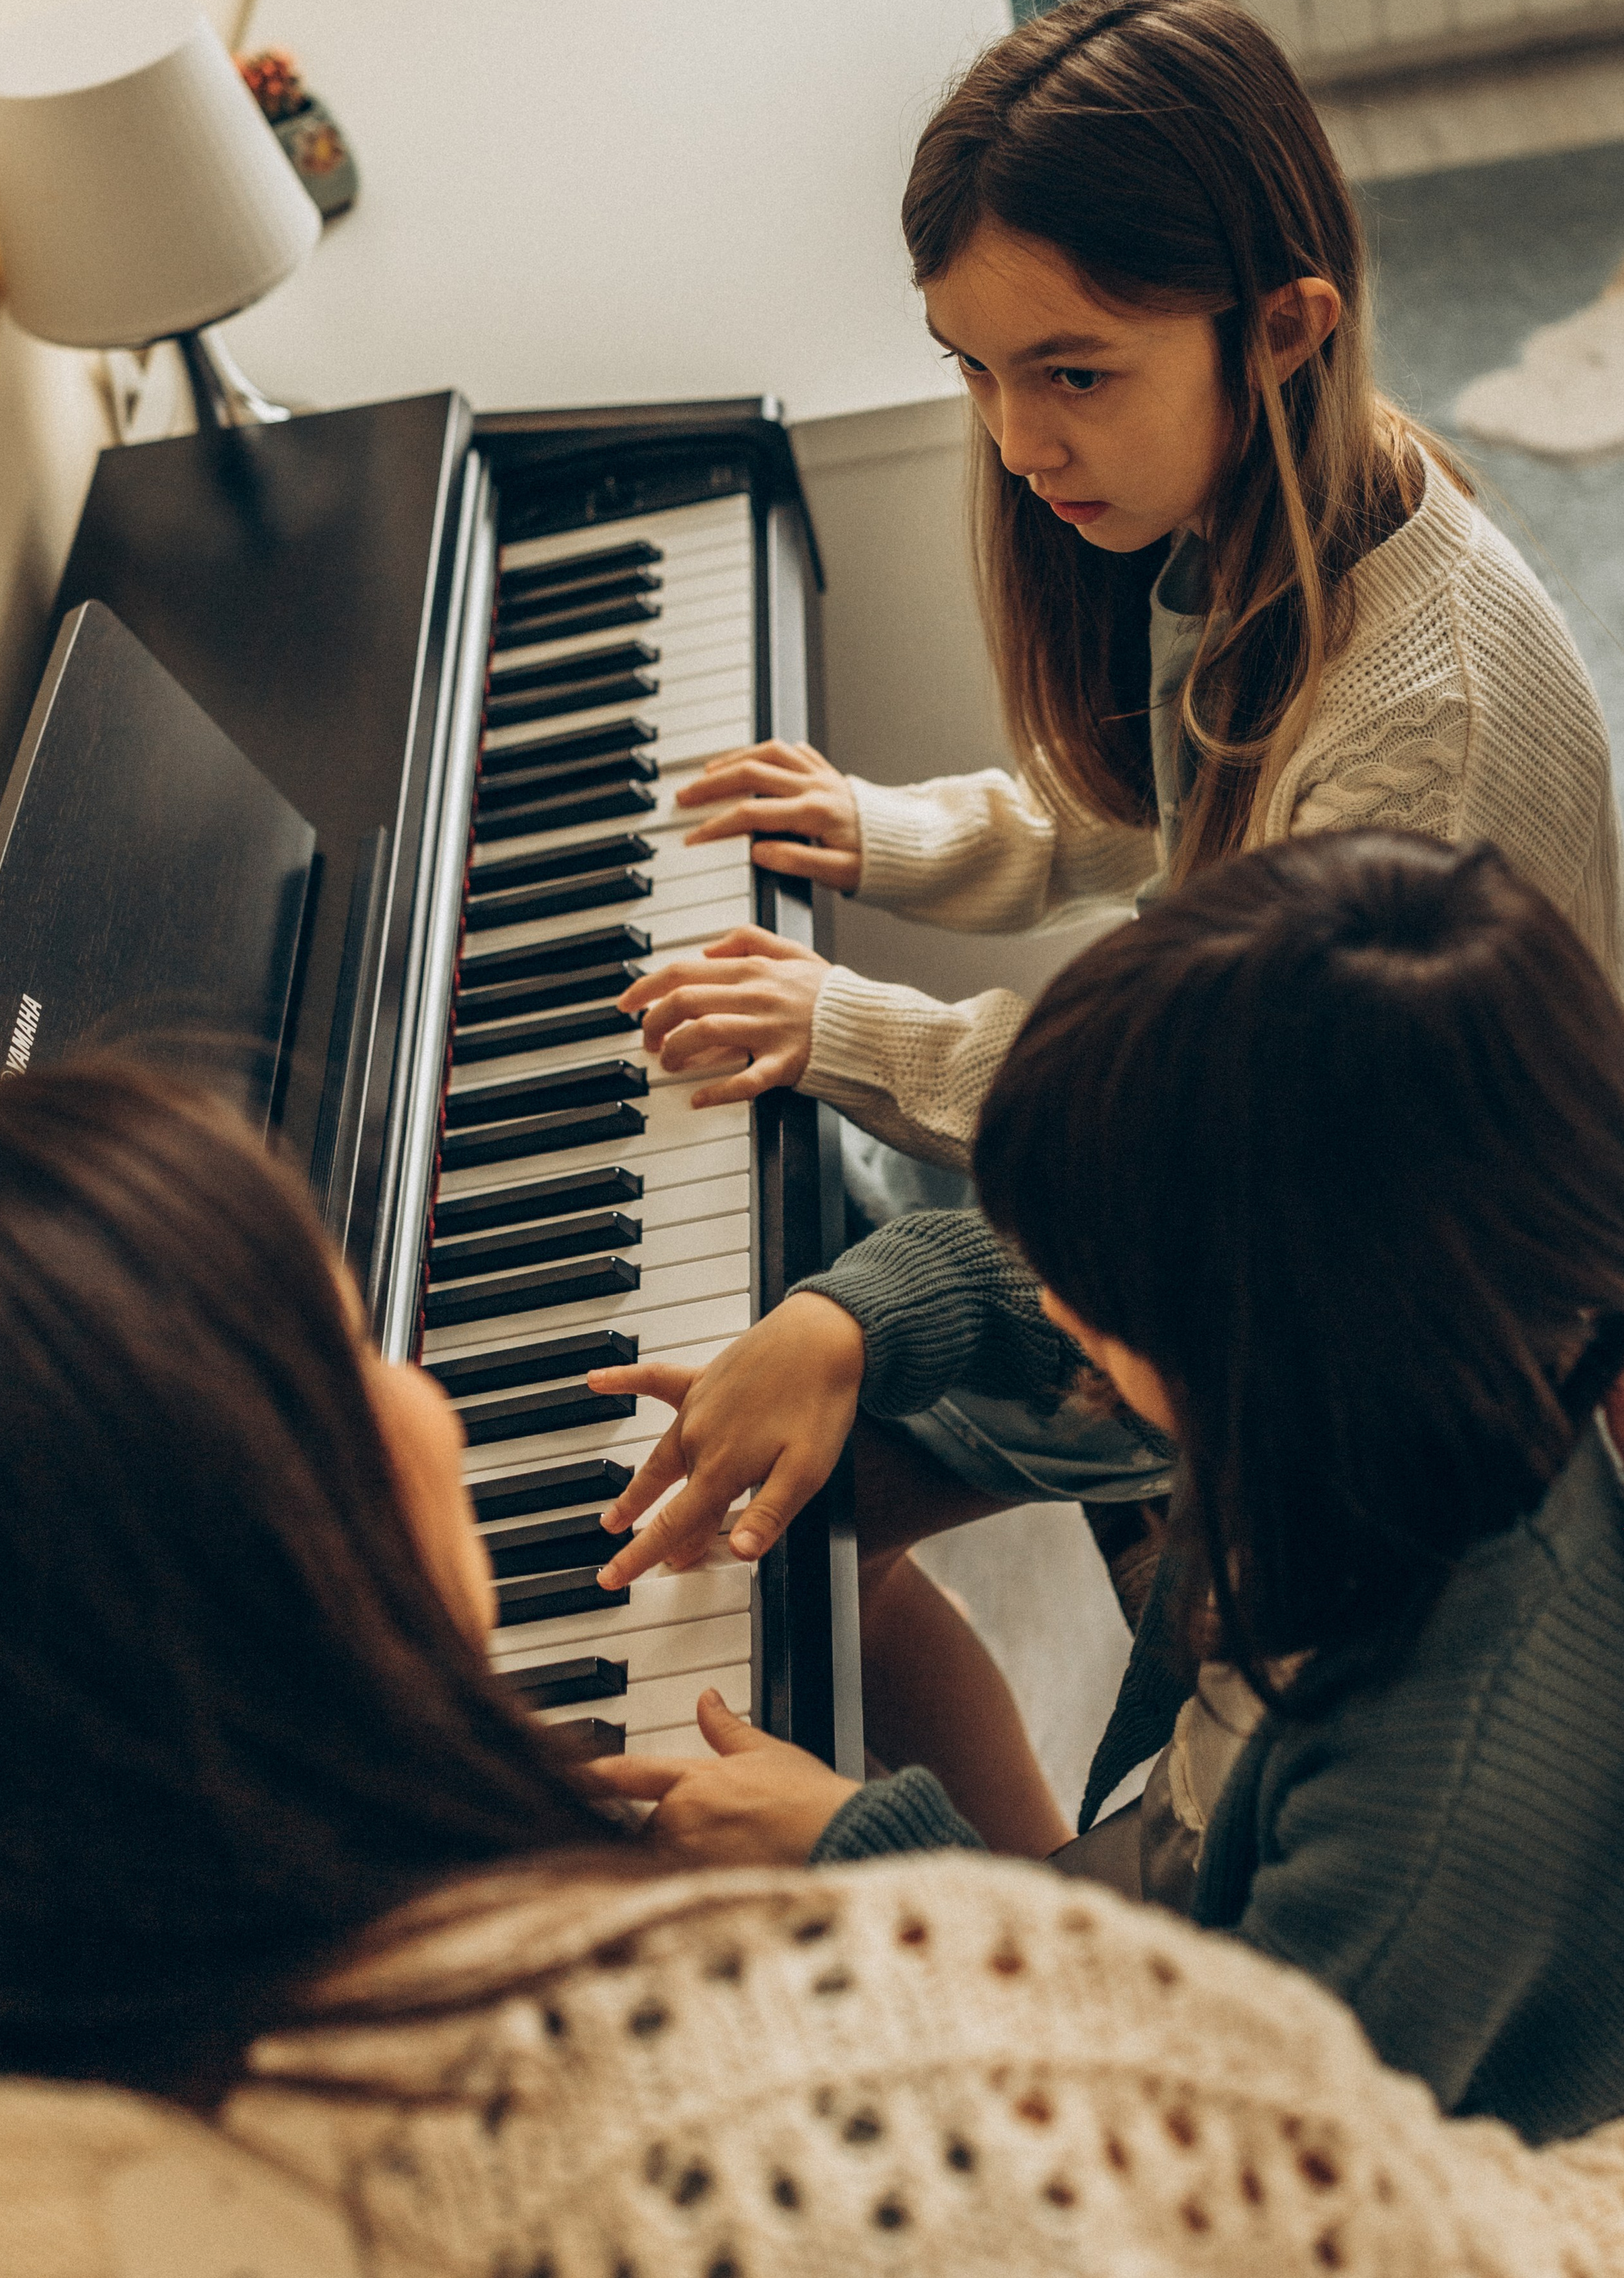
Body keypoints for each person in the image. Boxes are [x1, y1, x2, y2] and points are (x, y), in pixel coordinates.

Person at [0, 1075, 1624, 2278]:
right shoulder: (817, 2079)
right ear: (238, 1565)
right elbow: (1385, 2220)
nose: (412, 1392)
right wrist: (916, 1897)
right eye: (346, 1355)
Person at [597, 0, 1624, 1839]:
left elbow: (1205, 1149)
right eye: (972, 372)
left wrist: (848, 1037)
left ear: (1286, 326)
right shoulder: (1258, 519)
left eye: (1073, 373)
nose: (1014, 442)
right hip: (1250, 1218)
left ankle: (1036, 1922)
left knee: (1147, 1788)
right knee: (797, 1517)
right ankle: (1026, 1886)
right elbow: (1150, 804)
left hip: (1367, 1311)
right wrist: (887, 834)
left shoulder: (1423, 739)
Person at [590, 831, 1624, 2147]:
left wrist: (874, 1860)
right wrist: (849, 1319)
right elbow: (1079, 1275)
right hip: (1190, 1862)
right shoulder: (1425, 1346)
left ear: (1253, 1349)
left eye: (1105, 1292)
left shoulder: (1444, 1808)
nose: (1062, 1295)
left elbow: (1208, 2122)